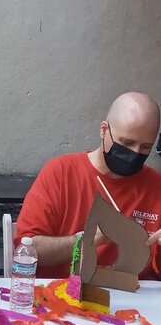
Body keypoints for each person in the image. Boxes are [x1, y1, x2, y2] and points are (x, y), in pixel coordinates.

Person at [15, 92, 161, 279]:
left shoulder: (156, 186)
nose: (135, 153)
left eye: (146, 147)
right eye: (127, 142)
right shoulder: (60, 172)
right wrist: (86, 239)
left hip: (135, 299)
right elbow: (28, 249)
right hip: (61, 295)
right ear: (103, 130)